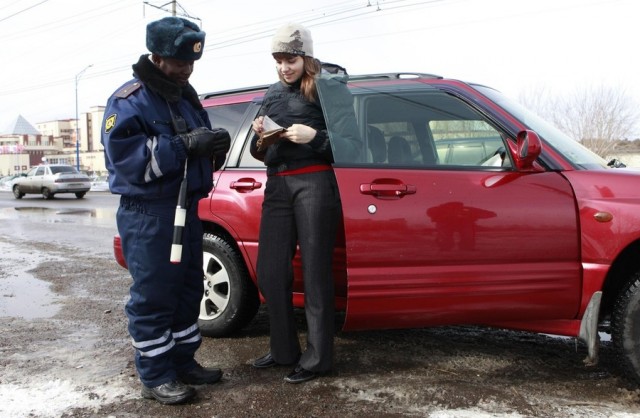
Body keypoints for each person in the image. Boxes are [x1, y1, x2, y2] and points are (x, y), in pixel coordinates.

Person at [101, 17, 231, 405]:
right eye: (179, 62)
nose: (187, 69)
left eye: (191, 62)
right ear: (157, 57)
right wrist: (186, 144)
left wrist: (214, 145)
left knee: (189, 290)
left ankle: (182, 361)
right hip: (150, 214)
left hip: (187, 209)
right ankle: (156, 375)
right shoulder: (129, 100)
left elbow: (196, 151)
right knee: (154, 295)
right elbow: (129, 163)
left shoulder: (184, 94)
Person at [249, 23, 360, 384]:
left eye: (291, 59)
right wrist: (259, 138)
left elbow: (352, 144)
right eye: (279, 60)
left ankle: (317, 359)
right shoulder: (270, 94)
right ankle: (283, 350)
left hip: (314, 182)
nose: (284, 67)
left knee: (314, 271)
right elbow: (258, 153)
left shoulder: (328, 88)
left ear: (306, 57)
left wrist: (315, 137)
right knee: (270, 270)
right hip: (276, 184)